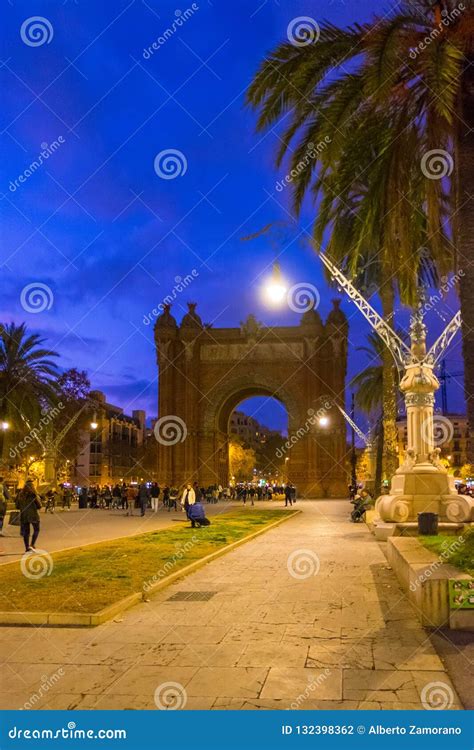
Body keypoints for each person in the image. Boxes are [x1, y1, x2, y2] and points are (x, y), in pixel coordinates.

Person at [16, 480, 42, 552]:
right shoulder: (34, 495)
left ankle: (27, 547)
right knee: (36, 529)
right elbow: (39, 506)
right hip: (34, 515)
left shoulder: (20, 494)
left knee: (26, 532)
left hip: (24, 515)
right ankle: (32, 544)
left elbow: (17, 506)